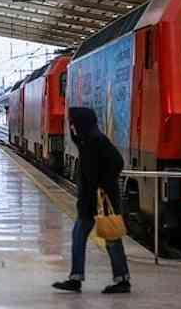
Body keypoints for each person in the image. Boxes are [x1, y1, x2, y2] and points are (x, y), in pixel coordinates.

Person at [53, 107, 130, 295]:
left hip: (103, 201)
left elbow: (117, 163)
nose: (71, 125)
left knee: (111, 238)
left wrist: (103, 184)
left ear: (82, 123)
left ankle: (122, 280)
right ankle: (76, 277)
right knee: (79, 236)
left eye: (73, 122)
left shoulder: (98, 142)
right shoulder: (87, 141)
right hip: (88, 201)